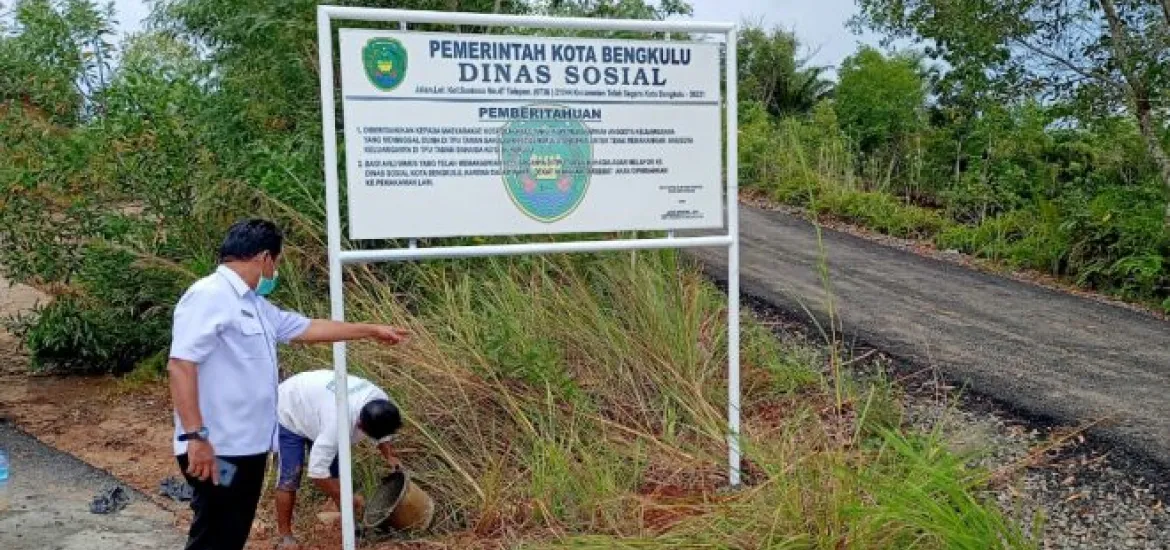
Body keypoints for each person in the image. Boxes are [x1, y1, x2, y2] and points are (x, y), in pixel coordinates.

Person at [167, 218, 409, 550]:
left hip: (246, 451)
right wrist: (196, 437)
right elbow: (181, 365)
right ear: (265, 258)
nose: (275, 271)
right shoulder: (209, 295)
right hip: (216, 448)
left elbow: (308, 329)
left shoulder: (255, 306)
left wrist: (370, 330)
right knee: (216, 531)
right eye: (277, 263)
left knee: (231, 528)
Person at [274, 370, 404, 550]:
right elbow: (317, 473)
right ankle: (285, 536)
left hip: (318, 406)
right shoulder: (337, 424)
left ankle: (350, 528)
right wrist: (345, 497)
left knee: (336, 473)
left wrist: (389, 455)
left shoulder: (380, 400)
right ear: (360, 425)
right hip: (290, 409)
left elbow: (384, 432)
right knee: (290, 476)